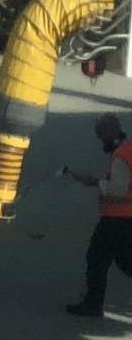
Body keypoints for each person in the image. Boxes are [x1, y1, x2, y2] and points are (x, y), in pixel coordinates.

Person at [62, 113, 132, 318]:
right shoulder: (127, 149)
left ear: (110, 132)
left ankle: (93, 305)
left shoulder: (121, 155)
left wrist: (96, 182)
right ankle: (92, 303)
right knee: (122, 260)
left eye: (101, 135)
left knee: (98, 258)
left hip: (117, 219)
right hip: (122, 219)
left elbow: (118, 188)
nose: (100, 140)